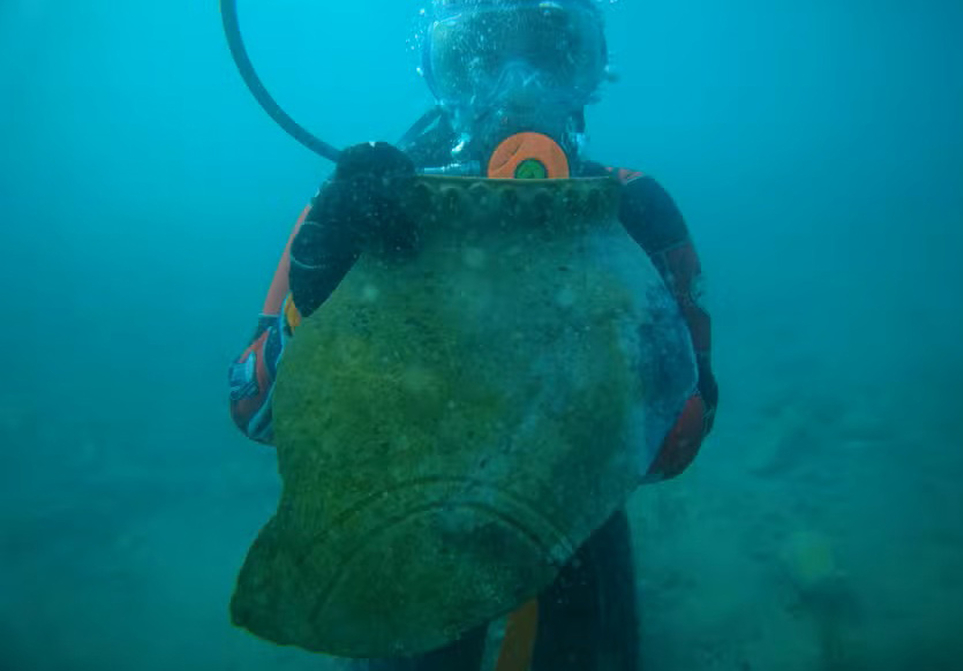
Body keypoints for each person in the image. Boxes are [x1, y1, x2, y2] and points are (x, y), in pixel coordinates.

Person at [228, 1, 718, 669]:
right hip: (410, 548)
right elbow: (255, 410)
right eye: (478, 58)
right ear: (439, 75)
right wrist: (312, 304)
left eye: (552, 54)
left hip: (574, 540)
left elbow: (683, 435)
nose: (518, 89)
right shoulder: (357, 211)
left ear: (591, 71)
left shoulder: (634, 213)